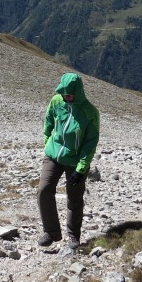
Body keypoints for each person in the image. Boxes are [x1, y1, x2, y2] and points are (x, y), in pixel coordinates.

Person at [38, 72, 100, 249]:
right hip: (53, 155)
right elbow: (49, 120)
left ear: (78, 92)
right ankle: (51, 232)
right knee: (43, 190)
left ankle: (73, 236)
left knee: (74, 198)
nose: (66, 97)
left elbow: (90, 142)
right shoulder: (57, 101)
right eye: (64, 94)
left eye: (70, 94)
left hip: (76, 162)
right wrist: (47, 142)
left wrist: (81, 169)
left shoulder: (90, 112)